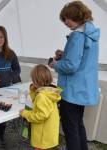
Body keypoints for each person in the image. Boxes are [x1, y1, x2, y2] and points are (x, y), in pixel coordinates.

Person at [49, 1, 100, 150]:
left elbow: (71, 66)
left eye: (66, 19)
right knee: (78, 124)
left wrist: (55, 64)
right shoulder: (90, 34)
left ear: (75, 16)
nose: (65, 23)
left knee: (70, 129)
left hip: (71, 91)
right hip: (82, 90)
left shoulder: (77, 36)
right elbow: (82, 59)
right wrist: (65, 55)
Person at [20, 64, 61, 150]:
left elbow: (41, 115)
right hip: (48, 130)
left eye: (32, 79)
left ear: (36, 81)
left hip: (43, 135)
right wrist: (33, 90)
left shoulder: (41, 96)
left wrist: (25, 113)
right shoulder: (49, 91)